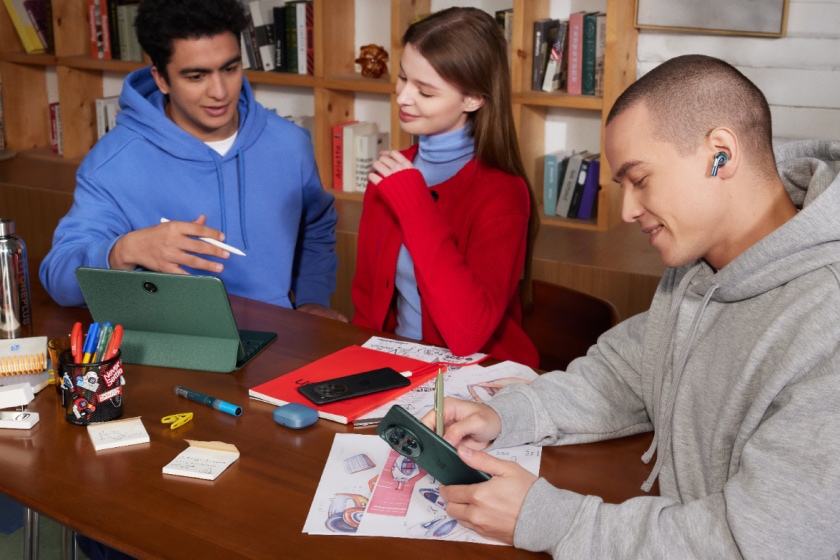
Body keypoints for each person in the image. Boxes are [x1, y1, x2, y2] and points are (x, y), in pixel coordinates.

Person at [422, 54, 840, 558]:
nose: (626, 211)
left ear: (721, 154)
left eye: (640, 179)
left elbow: (751, 544)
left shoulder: (826, 323)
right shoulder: (700, 264)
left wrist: (547, 518)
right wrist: (506, 415)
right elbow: (627, 372)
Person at [39, 0, 345, 321]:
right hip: (176, 347)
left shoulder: (290, 143)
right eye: (196, 76)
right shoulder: (113, 163)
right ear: (161, 79)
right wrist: (123, 250)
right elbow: (58, 279)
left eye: (229, 68)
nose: (220, 91)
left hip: (282, 339)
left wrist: (313, 298)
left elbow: (316, 227)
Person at [351, 7, 540, 367]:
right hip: (398, 367)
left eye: (424, 90)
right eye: (403, 78)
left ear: (473, 99)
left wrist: (415, 204)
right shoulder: (393, 172)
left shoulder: (503, 193)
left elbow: (467, 333)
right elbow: (367, 306)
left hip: (477, 376)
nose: (404, 98)